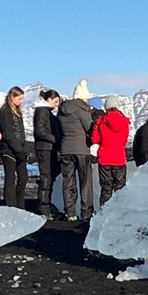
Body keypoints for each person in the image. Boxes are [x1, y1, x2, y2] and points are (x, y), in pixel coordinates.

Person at [57, 79, 95, 223]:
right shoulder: (82, 109)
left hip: (66, 149)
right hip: (82, 149)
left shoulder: (62, 110)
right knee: (85, 182)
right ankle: (86, 212)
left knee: (68, 181)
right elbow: (90, 129)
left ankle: (70, 212)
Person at [91, 96, 130, 207]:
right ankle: (120, 214)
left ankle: (104, 214)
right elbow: (124, 140)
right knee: (120, 188)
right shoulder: (124, 121)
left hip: (105, 158)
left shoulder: (101, 121)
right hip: (119, 158)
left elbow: (95, 139)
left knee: (106, 188)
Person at [0, 86, 28, 210]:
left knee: (23, 177)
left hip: (18, 148)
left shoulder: (17, 112)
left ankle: (20, 205)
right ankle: (10, 205)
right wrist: (18, 149)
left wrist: (21, 149)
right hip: (8, 150)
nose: (21, 101)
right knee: (10, 178)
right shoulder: (6, 112)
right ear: (12, 97)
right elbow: (8, 133)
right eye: (19, 99)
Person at [32, 89, 61, 219]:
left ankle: (47, 203)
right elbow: (40, 131)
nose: (56, 104)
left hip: (50, 148)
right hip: (45, 148)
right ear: (49, 99)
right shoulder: (42, 112)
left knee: (50, 175)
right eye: (55, 101)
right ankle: (44, 205)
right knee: (46, 176)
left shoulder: (47, 113)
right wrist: (55, 139)